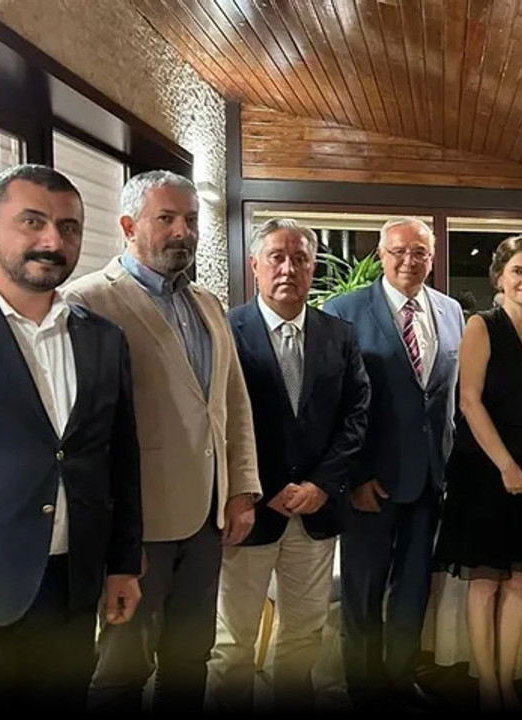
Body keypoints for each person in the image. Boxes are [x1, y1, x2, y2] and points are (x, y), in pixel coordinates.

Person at [65, 170, 261, 713]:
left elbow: (232, 402)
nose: (183, 231)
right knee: (123, 668)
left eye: (191, 220)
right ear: (128, 226)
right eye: (167, 218)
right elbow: (84, 428)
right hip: (139, 522)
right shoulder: (88, 301)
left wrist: (241, 488)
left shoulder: (208, 304)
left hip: (206, 519)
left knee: (190, 658)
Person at [0, 164, 142, 709]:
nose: (52, 241)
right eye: (32, 221)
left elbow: (120, 459)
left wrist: (122, 565)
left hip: (72, 586)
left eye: (68, 228)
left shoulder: (103, 338)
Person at [207, 219, 371, 712]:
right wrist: (268, 484)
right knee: (233, 643)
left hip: (316, 513)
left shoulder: (338, 335)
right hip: (250, 512)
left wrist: (321, 484)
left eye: (300, 259)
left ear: (312, 268)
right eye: (276, 257)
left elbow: (356, 415)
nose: (288, 269)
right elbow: (220, 418)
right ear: (255, 265)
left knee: (303, 635)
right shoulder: (226, 331)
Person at [325, 217, 465, 711]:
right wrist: (355, 476)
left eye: (420, 252)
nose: (409, 260)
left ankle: (401, 681)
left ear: (433, 257)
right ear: (381, 255)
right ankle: (365, 690)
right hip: (370, 482)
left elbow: (446, 398)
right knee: (362, 593)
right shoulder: (343, 311)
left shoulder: (451, 311)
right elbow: (334, 403)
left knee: (413, 588)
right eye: (399, 251)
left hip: (429, 480)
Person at [434, 236, 522, 712]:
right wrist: (506, 465)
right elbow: (469, 401)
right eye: (517, 271)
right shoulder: (481, 325)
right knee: (486, 581)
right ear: (499, 278)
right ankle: (487, 686)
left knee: (520, 582)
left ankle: (507, 683)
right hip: (483, 469)